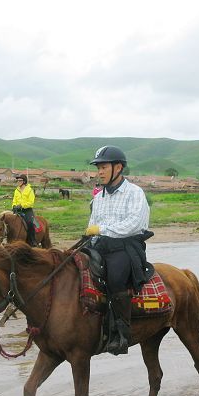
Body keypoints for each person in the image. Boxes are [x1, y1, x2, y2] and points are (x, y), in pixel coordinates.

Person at [85, 146, 152, 355]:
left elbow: (133, 223)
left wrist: (102, 229)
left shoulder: (135, 193)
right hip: (101, 245)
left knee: (115, 278)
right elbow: (92, 224)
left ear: (118, 167)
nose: (100, 172)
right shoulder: (98, 198)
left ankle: (122, 333)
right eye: (98, 168)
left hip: (126, 246)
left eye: (104, 167)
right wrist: (90, 237)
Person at [12, 174, 37, 246]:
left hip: (27, 210)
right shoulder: (16, 190)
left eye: (20, 180)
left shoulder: (29, 190)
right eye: (18, 180)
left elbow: (31, 202)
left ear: (24, 181)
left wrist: (22, 206)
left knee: (30, 222)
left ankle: (33, 241)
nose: (18, 182)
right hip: (17, 210)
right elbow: (14, 200)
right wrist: (14, 206)